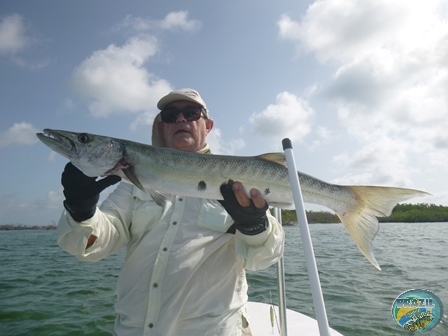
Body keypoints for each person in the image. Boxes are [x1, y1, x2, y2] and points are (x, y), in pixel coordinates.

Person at [57, 88, 285, 336]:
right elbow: (90, 247)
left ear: (207, 125)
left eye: (191, 113)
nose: (180, 119)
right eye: (169, 115)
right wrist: (81, 211)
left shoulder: (236, 181)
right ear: (163, 127)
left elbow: (262, 258)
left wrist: (255, 225)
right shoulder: (130, 185)